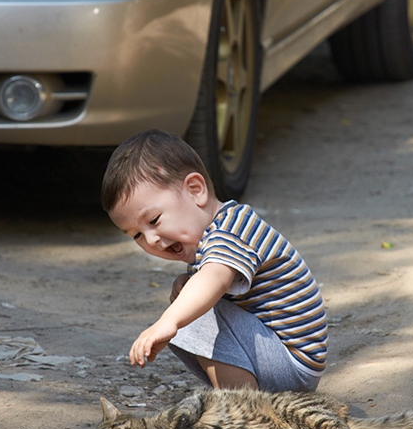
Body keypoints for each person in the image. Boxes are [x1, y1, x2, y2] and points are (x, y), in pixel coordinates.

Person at [101, 129, 326, 392]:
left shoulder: (231, 229)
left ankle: (242, 412)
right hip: (278, 358)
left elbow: (215, 278)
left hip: (292, 363)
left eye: (154, 221)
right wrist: (187, 285)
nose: (150, 240)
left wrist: (169, 320)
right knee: (190, 302)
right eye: (137, 235)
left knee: (195, 312)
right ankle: (237, 400)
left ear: (195, 190)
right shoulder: (212, 239)